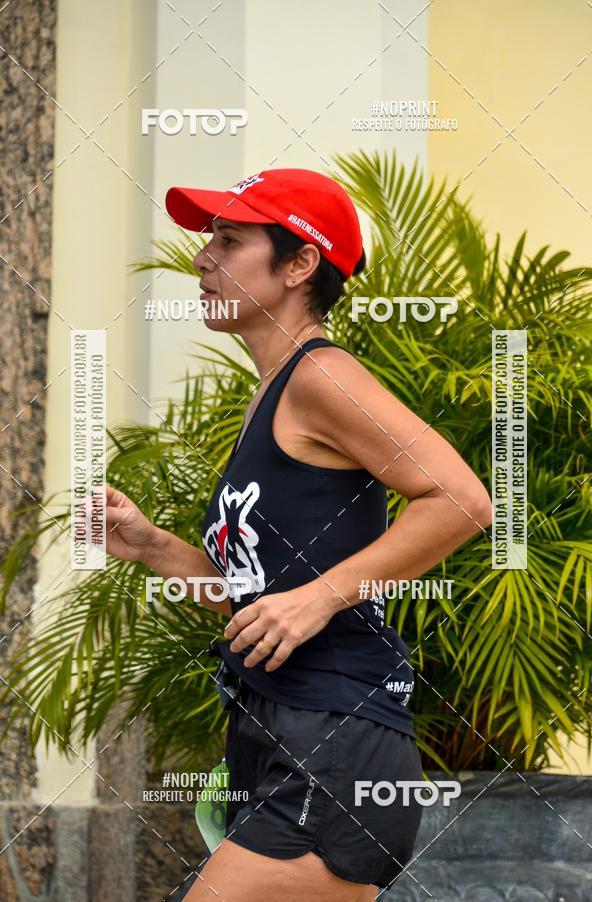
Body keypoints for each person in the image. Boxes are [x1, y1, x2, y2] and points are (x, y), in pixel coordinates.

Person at [105, 168, 493, 901]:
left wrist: (319, 598)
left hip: (336, 741)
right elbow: (258, 608)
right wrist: (154, 545)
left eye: (229, 240)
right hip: (275, 737)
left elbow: (463, 500)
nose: (201, 258)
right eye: (207, 241)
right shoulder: (273, 392)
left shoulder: (323, 377)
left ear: (299, 264)